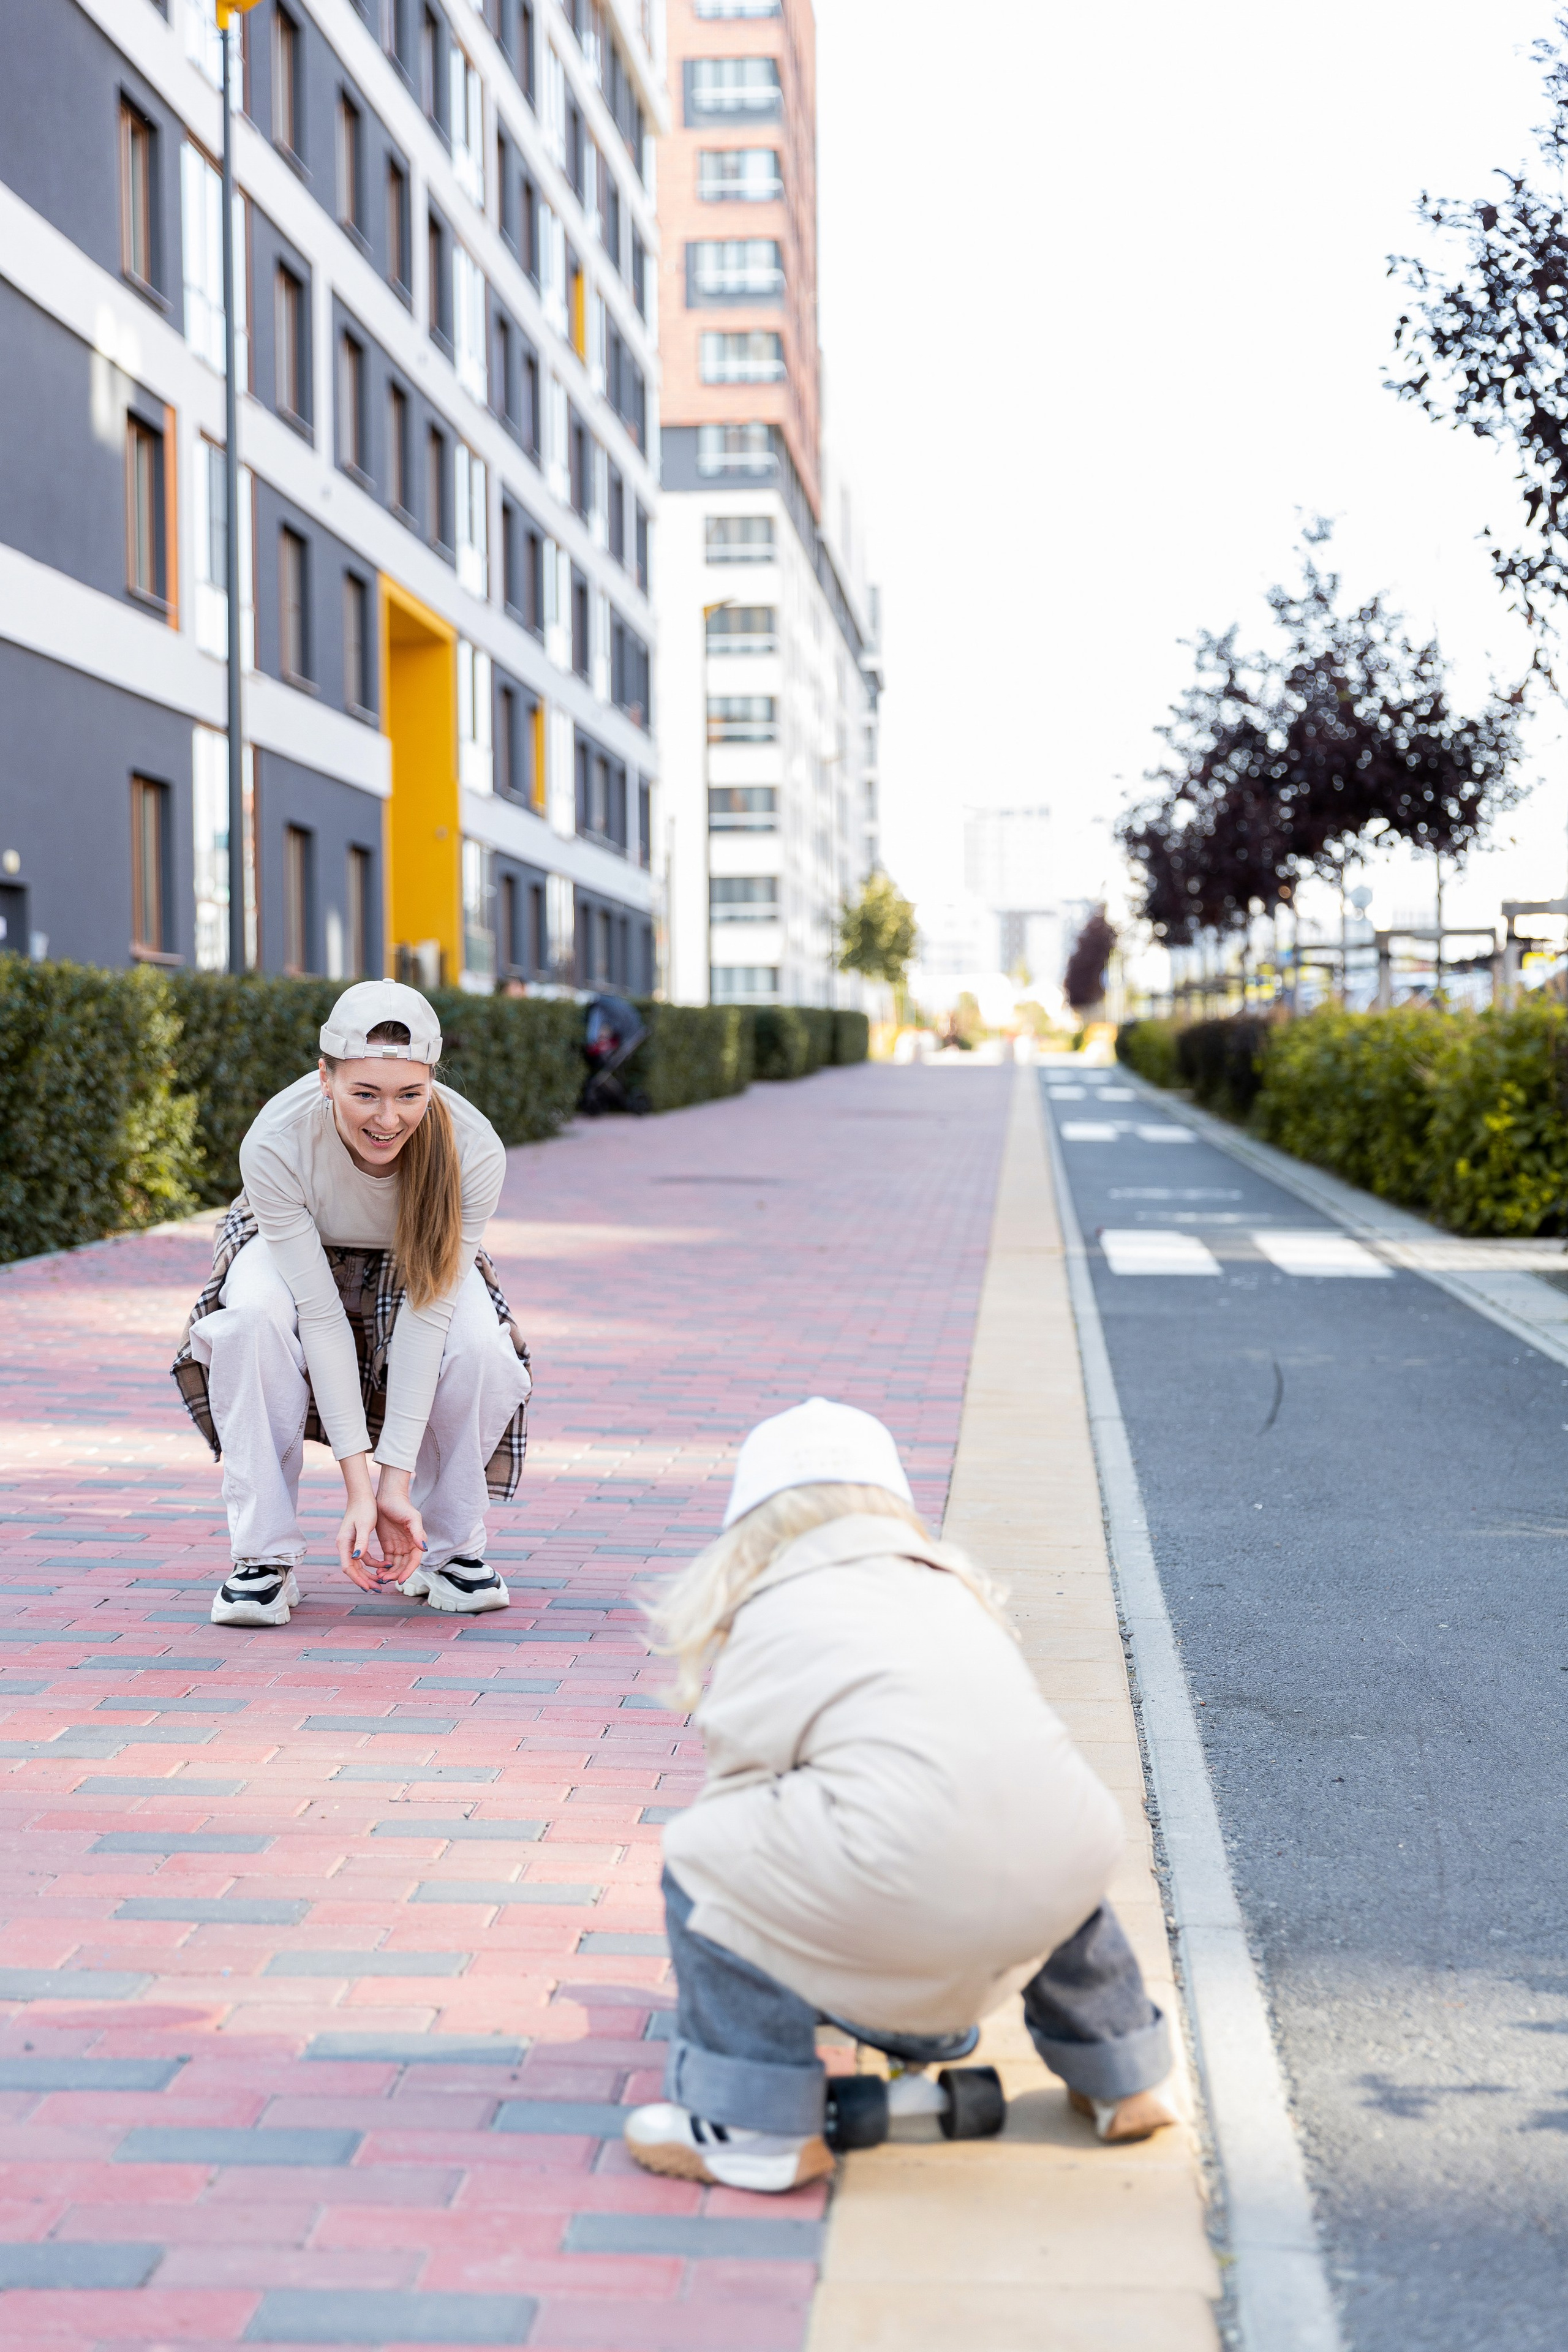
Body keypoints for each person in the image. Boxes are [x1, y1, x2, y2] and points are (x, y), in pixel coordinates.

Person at [624, 1397, 1177, 2194]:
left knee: (704, 1856)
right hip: (1067, 1865)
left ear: (749, 1526)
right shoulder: (955, 1591)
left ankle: (749, 2125)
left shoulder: (777, 1609)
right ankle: (1125, 2072)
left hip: (907, 1884)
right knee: (1033, 1828)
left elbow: (743, 1802)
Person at [172, 981, 532, 1628]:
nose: (387, 1119)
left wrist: (391, 1486)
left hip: (414, 1255)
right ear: (325, 1078)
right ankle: (263, 1557)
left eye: (408, 1096)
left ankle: (445, 1548)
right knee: (249, 1322)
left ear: (432, 1082)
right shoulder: (276, 1140)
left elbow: (428, 1320)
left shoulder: (471, 1151)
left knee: (483, 1347)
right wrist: (357, 1488)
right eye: (364, 1094)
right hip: (293, 1245)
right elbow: (321, 1318)